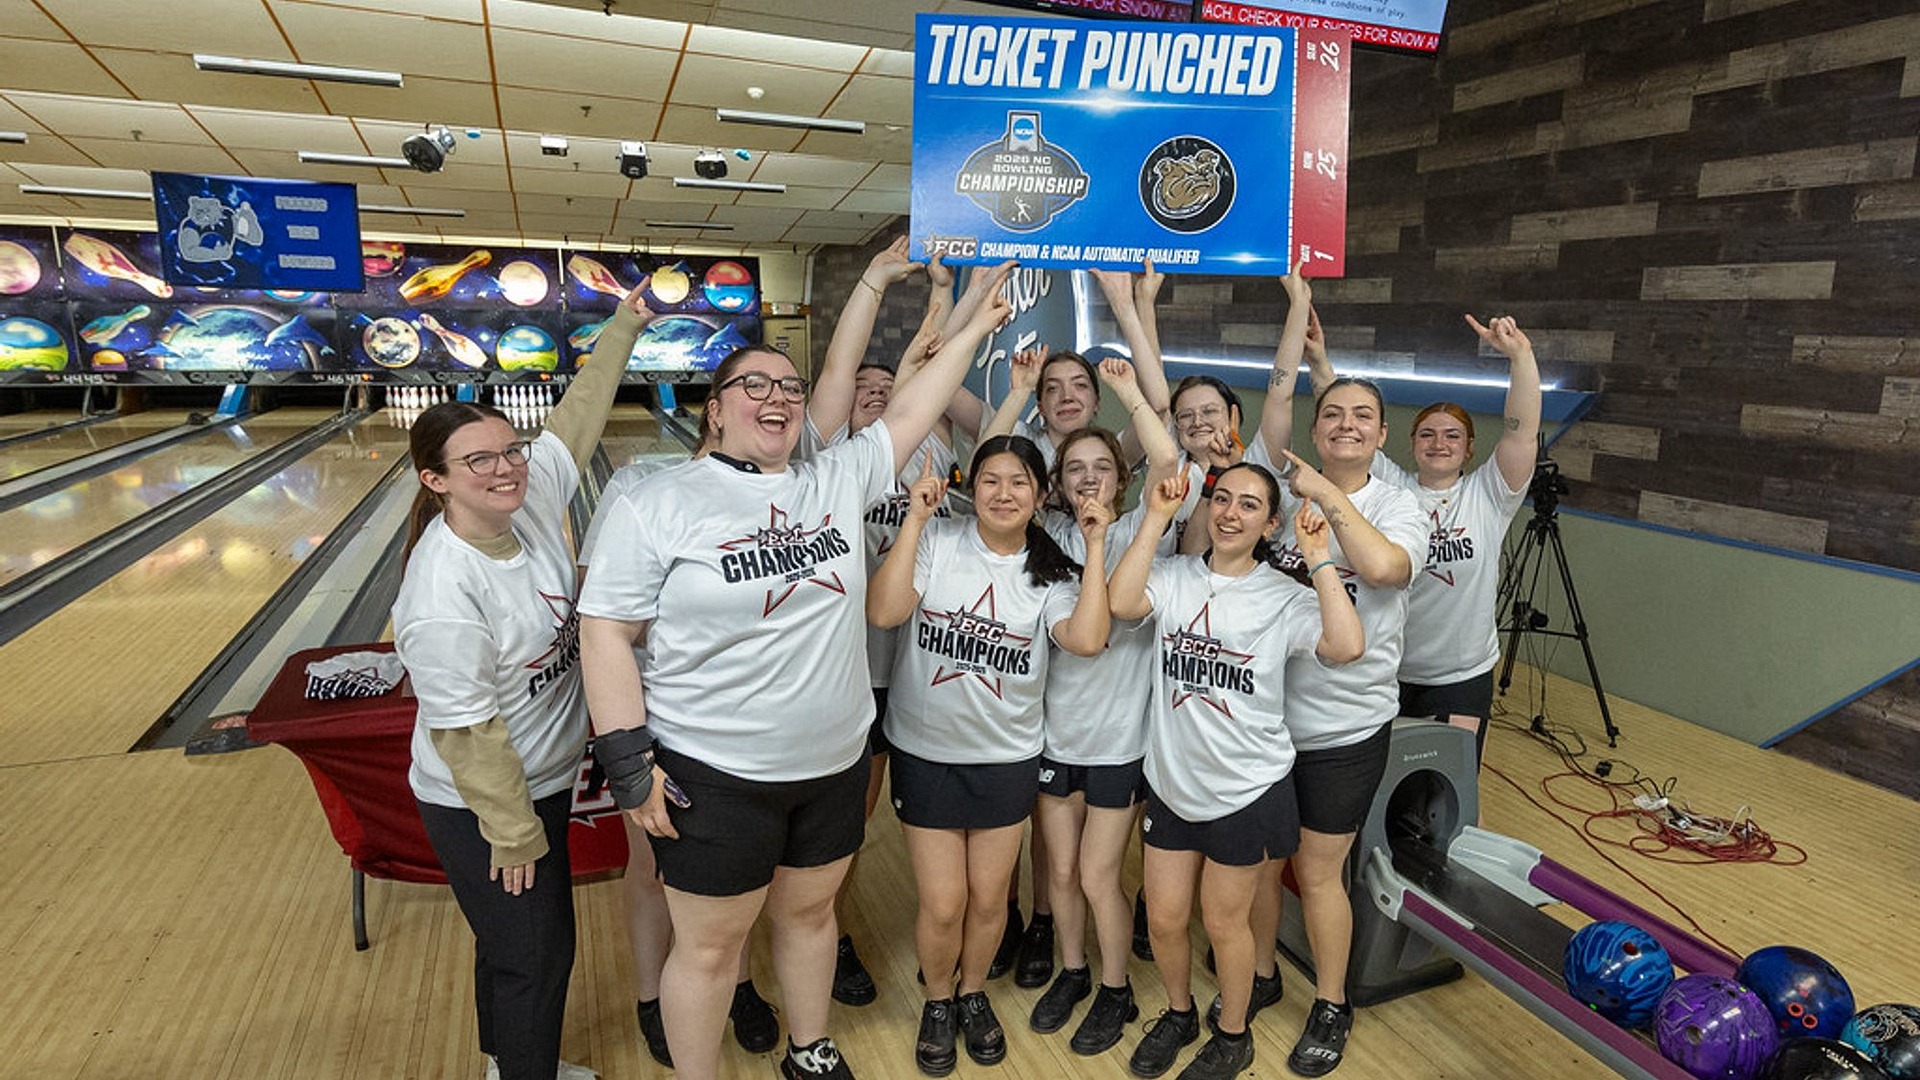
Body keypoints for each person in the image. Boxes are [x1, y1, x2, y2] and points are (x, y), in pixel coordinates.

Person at [577, 263, 1016, 1080]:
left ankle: (809, 1051)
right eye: (754, 385)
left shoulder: (834, 478)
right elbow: (605, 632)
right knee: (710, 948)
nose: (777, 395)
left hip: (831, 764)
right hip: (714, 773)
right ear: (713, 409)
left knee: (811, 918)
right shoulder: (657, 500)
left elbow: (918, 405)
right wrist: (629, 762)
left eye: (788, 382)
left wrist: (978, 323)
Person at [392, 284, 650, 1080]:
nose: (506, 469)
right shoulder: (442, 592)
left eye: (510, 450)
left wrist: (625, 327)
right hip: (481, 799)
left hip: (538, 778)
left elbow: (574, 418)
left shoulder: (525, 498)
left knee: (511, 945)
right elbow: (466, 733)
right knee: (538, 954)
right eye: (479, 461)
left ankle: (511, 1060)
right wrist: (511, 829)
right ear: (436, 479)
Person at [869, 434, 1114, 1077]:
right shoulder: (939, 542)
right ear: (969, 489)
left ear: (1039, 496)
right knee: (944, 902)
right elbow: (885, 609)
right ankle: (937, 999)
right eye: (990, 481)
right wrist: (917, 519)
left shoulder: (1054, 569)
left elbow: (1087, 640)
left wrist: (1093, 545)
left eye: (1019, 483)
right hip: (925, 755)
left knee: (987, 901)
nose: (1003, 494)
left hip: (1006, 758)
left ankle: (972, 992)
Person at [1108, 466, 1364, 1080]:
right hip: (1173, 784)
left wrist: (1320, 556)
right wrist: (1156, 516)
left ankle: (1233, 1035)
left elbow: (1347, 645)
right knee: (1166, 918)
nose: (1229, 513)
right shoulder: (1173, 578)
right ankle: (1177, 1012)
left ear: (1270, 523)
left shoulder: (1284, 595)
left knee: (1225, 921)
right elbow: (1120, 603)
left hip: (1247, 791)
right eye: (1222, 498)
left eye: (1249, 505)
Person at [1244, 269, 1428, 1078]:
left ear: (1381, 436)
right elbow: (1274, 402)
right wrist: (1295, 312)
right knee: (1253, 865)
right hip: (1262, 720)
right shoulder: (1281, 498)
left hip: (1345, 727)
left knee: (1317, 872)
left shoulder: (1398, 504)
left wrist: (1329, 498)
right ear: (1316, 431)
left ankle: (1330, 1000)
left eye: (1363, 418)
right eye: (1334, 416)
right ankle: (1255, 973)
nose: (1347, 426)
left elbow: (1386, 572)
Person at [574, 407, 778, 1067]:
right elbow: (599, 609)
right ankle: (647, 994)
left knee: (736, 875)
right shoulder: (637, 493)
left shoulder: (767, 493)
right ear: (714, 417)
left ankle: (740, 982)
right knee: (649, 865)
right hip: (657, 719)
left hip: (741, 726)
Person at [1025, 356, 1181, 1056]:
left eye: (1102, 466)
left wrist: (1125, 390)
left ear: (1123, 479)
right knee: (1058, 873)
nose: (1089, 477)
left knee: (1096, 874)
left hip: (1121, 743)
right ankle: (1075, 971)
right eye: (1075, 469)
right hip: (1056, 738)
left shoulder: (1152, 534)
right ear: (1058, 484)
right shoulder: (1049, 538)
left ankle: (1115, 989)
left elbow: (1168, 455)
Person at [1371, 316, 1540, 761]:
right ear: (1411, 443)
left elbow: (1520, 429)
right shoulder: (1393, 487)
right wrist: (1320, 361)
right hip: (1391, 670)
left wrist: (1520, 357)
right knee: (1388, 785)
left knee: (1452, 786)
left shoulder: (1490, 493)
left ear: (1468, 448)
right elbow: (1357, 427)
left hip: (1462, 677)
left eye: (1452, 436)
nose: (1438, 443)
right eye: (1427, 433)